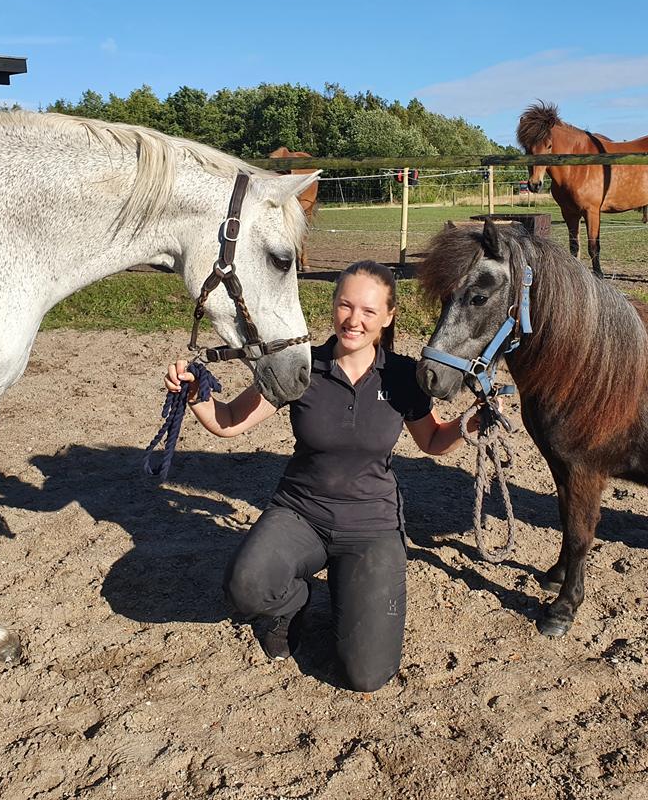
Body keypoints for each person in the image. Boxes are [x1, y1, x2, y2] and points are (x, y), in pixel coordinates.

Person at [164, 260, 477, 692]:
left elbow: (432, 442)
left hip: (371, 526)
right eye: (345, 306)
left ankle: (351, 594)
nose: (354, 320)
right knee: (246, 587)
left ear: (387, 317)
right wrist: (196, 395)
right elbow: (230, 420)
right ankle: (295, 603)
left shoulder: (404, 376)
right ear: (333, 307)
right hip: (300, 513)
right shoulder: (302, 368)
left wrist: (471, 424)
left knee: (366, 676)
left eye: (368, 311)